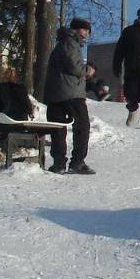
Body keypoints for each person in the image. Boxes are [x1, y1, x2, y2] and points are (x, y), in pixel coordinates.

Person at [44, 17, 95, 174]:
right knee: (82, 126)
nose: (86, 34)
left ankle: (59, 163)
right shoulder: (70, 42)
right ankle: (77, 162)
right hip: (70, 92)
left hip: (57, 93)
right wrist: (88, 71)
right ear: (77, 29)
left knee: (58, 128)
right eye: (85, 30)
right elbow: (74, 66)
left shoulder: (65, 42)